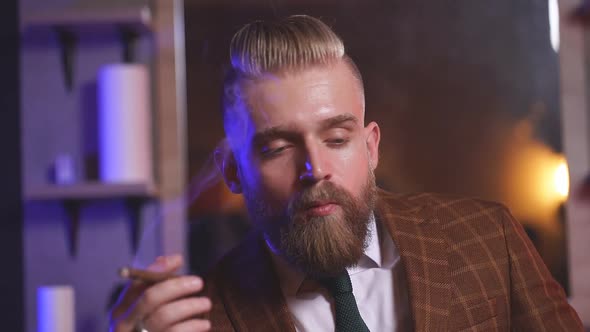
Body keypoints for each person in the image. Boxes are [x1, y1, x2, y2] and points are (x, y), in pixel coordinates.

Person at [110, 15, 583, 331]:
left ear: (371, 146)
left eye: (337, 139)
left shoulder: (486, 237)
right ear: (233, 171)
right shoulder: (204, 317)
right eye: (277, 148)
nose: (315, 169)